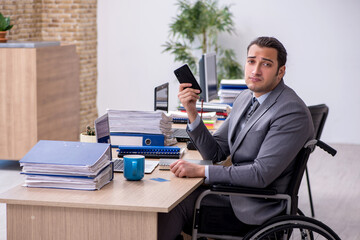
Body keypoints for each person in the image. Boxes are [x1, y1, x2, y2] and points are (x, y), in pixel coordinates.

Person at [158, 36, 314, 239]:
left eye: (266, 64)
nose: (256, 70)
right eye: (251, 61)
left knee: (177, 206)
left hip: (256, 209)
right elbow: (216, 152)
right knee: (176, 196)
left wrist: (202, 170)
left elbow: (260, 174)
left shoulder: (290, 111)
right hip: (235, 194)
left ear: (280, 71)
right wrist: (192, 112)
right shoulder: (245, 97)